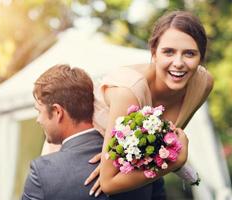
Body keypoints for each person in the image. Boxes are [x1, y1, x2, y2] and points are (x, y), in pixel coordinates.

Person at [42, 10, 213, 199]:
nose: (179, 63)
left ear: (201, 58)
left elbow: (167, 140)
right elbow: (108, 183)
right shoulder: (129, 90)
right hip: (83, 162)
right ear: (154, 53)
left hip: (130, 166)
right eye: (168, 52)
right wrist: (174, 162)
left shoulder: (203, 84)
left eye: (189, 53)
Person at [22, 64, 188, 200]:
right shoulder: (141, 158)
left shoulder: (42, 171)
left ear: (58, 112)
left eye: (39, 111)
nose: (39, 120)